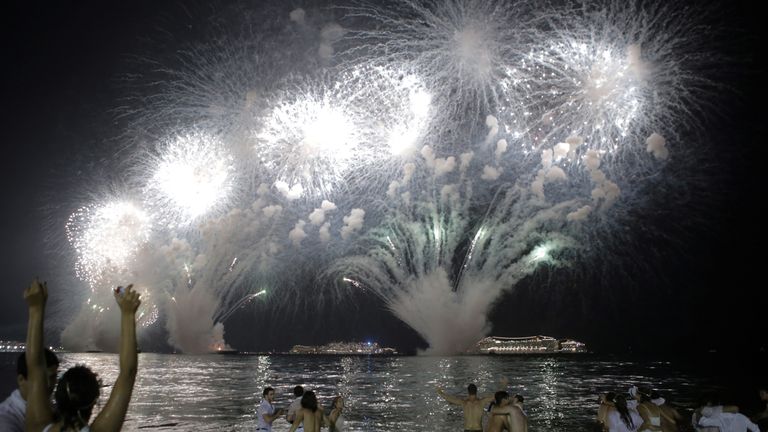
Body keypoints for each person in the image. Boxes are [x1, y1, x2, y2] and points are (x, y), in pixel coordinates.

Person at [24, 279, 141, 432]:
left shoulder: (36, 427)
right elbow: (128, 373)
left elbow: (35, 368)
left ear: (57, 396)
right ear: (94, 401)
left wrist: (35, 309)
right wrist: (127, 314)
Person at [0, 349, 59, 432]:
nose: (50, 384)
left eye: (53, 377)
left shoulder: (53, 410)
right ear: (21, 380)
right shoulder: (5, 420)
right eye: (42, 379)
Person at [437, 378, 505, 432]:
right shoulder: (482, 402)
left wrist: (440, 392)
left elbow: (449, 399)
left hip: (467, 430)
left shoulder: (463, 402)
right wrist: (503, 385)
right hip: (478, 430)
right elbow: (496, 396)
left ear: (468, 392)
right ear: (476, 391)